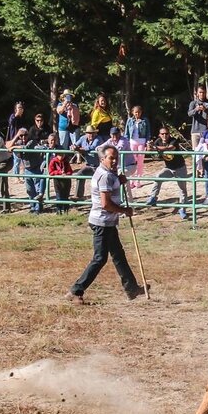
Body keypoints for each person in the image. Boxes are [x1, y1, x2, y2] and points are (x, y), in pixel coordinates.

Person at [68, 144, 146, 304]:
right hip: (101, 222)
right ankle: (76, 291)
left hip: (108, 222)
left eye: (116, 157)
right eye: (111, 158)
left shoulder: (109, 173)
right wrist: (124, 210)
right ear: (102, 159)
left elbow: (113, 183)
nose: (115, 160)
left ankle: (132, 288)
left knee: (118, 255)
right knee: (99, 258)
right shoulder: (105, 176)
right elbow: (106, 204)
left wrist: (120, 180)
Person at [145, 125, 189, 220]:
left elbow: (170, 148)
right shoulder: (158, 141)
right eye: (162, 134)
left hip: (180, 167)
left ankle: (182, 209)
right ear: (159, 135)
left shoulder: (174, 140)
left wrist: (155, 147)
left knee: (182, 189)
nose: (165, 136)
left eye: (166, 134)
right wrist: (149, 145)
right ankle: (153, 197)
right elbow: (149, 150)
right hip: (168, 168)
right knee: (158, 177)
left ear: (169, 134)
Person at [7, 127, 46, 214]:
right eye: (21, 135)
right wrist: (16, 137)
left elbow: (26, 147)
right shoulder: (19, 141)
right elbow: (8, 146)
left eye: (25, 135)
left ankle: (38, 208)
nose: (23, 137)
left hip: (36, 168)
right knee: (29, 190)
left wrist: (14, 147)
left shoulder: (32, 141)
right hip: (27, 169)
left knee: (37, 190)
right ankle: (32, 207)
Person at [72, 125, 104, 201]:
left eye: (92, 133)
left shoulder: (98, 139)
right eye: (89, 133)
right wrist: (73, 147)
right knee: (80, 174)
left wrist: (79, 149)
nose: (90, 135)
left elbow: (92, 147)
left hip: (99, 166)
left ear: (95, 133)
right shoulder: (82, 138)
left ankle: (103, 197)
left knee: (100, 181)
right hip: (88, 165)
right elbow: (75, 144)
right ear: (86, 133)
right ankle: (78, 196)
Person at [125, 105, 151, 187]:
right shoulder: (130, 120)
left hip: (141, 142)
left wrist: (147, 143)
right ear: (132, 112)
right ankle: (132, 180)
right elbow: (126, 133)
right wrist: (126, 143)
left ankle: (138, 180)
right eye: (135, 112)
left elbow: (148, 132)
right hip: (132, 142)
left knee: (140, 161)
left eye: (139, 112)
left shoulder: (145, 120)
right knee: (132, 161)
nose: (137, 114)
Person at [46, 133, 73, 213]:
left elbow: (70, 170)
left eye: (54, 140)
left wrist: (66, 174)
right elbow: (51, 171)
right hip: (57, 178)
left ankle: (65, 209)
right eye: (51, 140)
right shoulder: (53, 161)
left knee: (66, 194)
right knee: (58, 194)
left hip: (66, 180)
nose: (61, 156)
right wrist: (59, 172)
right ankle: (59, 210)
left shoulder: (65, 161)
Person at [7, 101, 27, 176]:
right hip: (14, 140)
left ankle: (24, 175)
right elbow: (11, 122)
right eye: (18, 108)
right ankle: (16, 176)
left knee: (24, 159)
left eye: (21, 108)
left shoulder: (23, 118)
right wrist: (16, 115)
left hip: (22, 140)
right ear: (15, 109)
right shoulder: (13, 116)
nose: (20, 109)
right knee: (17, 159)